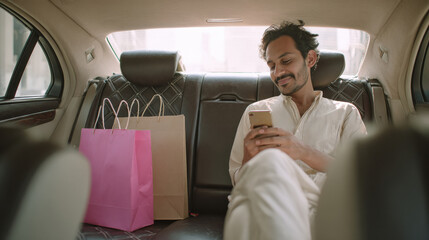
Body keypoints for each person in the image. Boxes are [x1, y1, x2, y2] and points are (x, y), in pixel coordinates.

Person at [224, 20, 367, 240]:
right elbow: (241, 183)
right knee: (266, 167)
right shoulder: (257, 111)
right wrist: (248, 158)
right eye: (271, 65)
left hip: (324, 205)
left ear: (309, 59)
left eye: (286, 61)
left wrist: (303, 151)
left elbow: (360, 175)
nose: (278, 72)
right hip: (269, 200)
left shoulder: (345, 113)